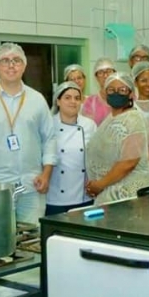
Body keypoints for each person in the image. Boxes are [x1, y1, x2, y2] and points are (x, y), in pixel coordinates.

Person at [0, 43, 56, 225]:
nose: (11, 65)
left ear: (24, 66)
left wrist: (46, 174)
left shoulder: (37, 100)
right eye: (5, 61)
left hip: (32, 185)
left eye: (16, 60)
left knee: (32, 240)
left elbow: (49, 139)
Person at [85, 73, 149, 203]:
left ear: (131, 94)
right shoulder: (110, 119)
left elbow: (128, 162)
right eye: (111, 90)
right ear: (105, 93)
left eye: (122, 90)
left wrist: (99, 185)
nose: (116, 93)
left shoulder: (133, 118)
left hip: (129, 195)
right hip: (108, 193)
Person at [46, 82, 97, 215]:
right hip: (55, 196)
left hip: (84, 195)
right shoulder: (48, 125)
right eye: (67, 98)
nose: (73, 102)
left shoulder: (89, 125)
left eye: (77, 98)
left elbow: (96, 157)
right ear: (58, 101)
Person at [81, 57, 116, 126]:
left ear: (115, 73)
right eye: (101, 72)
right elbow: (88, 128)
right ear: (96, 77)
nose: (105, 75)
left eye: (109, 71)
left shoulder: (125, 96)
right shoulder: (90, 102)